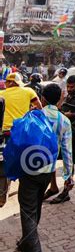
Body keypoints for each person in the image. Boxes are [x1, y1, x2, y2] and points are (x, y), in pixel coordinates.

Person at [17, 83, 73, 252]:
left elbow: (20, 140)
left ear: (42, 98)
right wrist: (68, 177)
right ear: (59, 99)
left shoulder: (33, 115)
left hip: (29, 170)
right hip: (47, 171)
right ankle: (27, 242)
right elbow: (67, 152)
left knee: (28, 213)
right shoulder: (64, 121)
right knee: (35, 208)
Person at [45, 76, 75, 202]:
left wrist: (72, 115)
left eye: (72, 87)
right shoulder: (66, 97)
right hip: (60, 132)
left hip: (74, 133)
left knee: (68, 162)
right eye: (68, 86)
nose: (69, 89)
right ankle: (53, 187)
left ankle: (66, 191)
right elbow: (59, 109)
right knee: (52, 159)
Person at [0, 73, 39, 207]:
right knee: (25, 161)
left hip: (5, 133)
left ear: (9, 83)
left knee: (5, 163)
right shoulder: (28, 91)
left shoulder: (2, 94)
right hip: (23, 132)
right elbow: (39, 108)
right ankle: (25, 191)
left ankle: (2, 197)